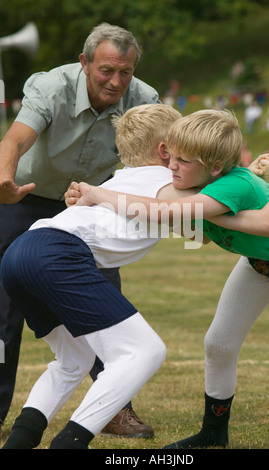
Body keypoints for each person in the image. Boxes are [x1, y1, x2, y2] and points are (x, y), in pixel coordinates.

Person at [0, 104, 269, 450]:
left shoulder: (120, 179)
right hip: (57, 254)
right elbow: (235, 217)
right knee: (145, 352)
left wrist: (92, 192)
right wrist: (268, 188)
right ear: (166, 149)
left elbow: (202, 232)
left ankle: (19, 442)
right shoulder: (169, 183)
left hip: (20, 252)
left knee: (73, 361)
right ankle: (69, 444)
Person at [81, 109, 269, 449]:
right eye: (171, 156)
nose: (172, 166)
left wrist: (96, 193)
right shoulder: (199, 186)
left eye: (184, 160)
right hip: (262, 260)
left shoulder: (233, 184)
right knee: (218, 344)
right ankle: (213, 435)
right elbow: (199, 234)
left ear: (214, 168)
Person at [0, 22, 161, 437]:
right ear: (85, 63)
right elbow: (15, 139)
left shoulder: (144, 101)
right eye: (107, 70)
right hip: (28, 197)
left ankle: (114, 410)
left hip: (90, 204)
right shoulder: (52, 86)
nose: (117, 81)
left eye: (126, 72)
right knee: (3, 310)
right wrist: (4, 177)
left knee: (107, 301)